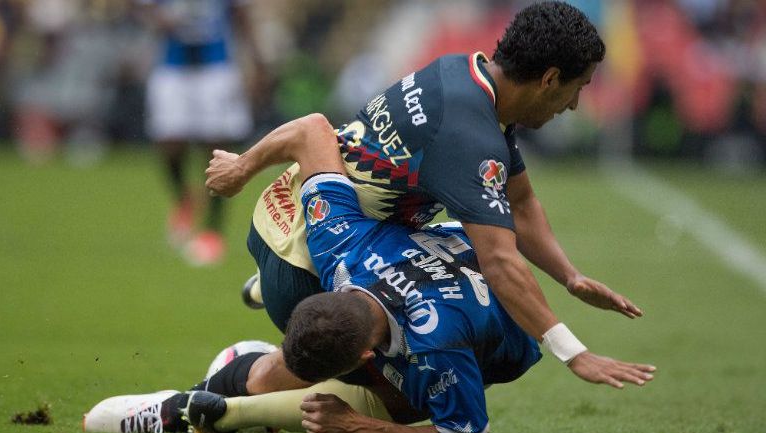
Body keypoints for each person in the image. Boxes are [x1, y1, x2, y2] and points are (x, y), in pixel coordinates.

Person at [83, 105, 655, 433]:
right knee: (375, 395)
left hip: (484, 314)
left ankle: (223, 397)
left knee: (399, 407)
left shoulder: (431, 341)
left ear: (366, 359)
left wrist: (356, 428)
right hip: (430, 249)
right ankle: (221, 399)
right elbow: (313, 130)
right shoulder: (352, 257)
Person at [206, 3, 642, 366]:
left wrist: (570, 277)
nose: (574, 105)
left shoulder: (464, 76)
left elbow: (521, 201)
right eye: (576, 88)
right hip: (308, 273)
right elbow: (501, 263)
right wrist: (573, 351)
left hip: (279, 216)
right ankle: (235, 376)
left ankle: (265, 286)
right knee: (448, 347)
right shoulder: (469, 137)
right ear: (549, 79)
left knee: (451, 243)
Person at [136, 0, 258, 265]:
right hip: (172, 66)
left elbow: (241, 13)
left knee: (216, 147)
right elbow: (143, 8)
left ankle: (213, 231)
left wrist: (255, 61)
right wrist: (159, 19)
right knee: (169, 143)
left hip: (216, 67)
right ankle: (184, 199)